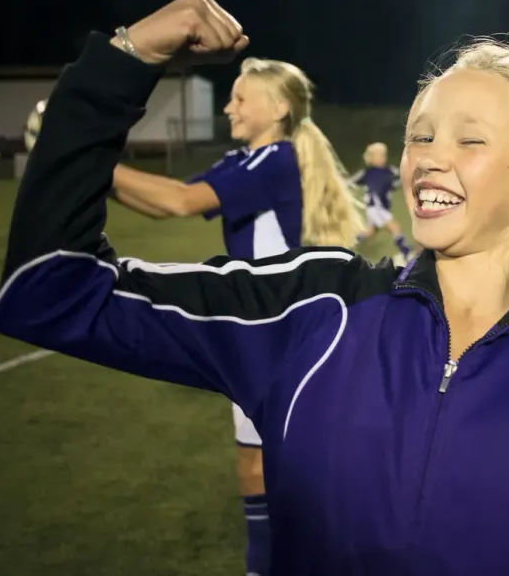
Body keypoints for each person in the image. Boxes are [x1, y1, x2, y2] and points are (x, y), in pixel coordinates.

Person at [0, 0, 509, 576]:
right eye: (419, 137)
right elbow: (47, 288)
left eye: (469, 140)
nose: (429, 160)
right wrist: (125, 58)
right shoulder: (313, 310)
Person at [106, 56, 361, 576]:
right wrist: (92, 169)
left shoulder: (274, 160)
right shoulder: (246, 160)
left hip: (280, 336)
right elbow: (164, 203)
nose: (228, 107)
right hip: (261, 332)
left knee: (285, 468)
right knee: (255, 464)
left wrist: (89, 159)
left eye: (241, 98)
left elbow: (180, 202)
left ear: (279, 108)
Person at [349, 142, 413, 265]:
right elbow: (351, 181)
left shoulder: (388, 171)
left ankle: (347, 244)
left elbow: (397, 180)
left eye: (384, 155)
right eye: (379, 155)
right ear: (371, 158)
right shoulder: (368, 173)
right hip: (376, 208)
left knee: (369, 231)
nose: (383, 158)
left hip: (379, 208)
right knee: (395, 227)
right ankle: (407, 254)